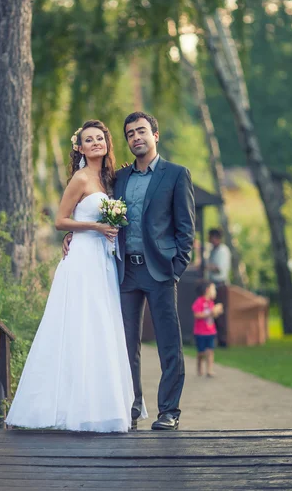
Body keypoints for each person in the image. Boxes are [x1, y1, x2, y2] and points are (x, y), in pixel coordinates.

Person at [6, 120, 143, 433]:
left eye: (99, 138)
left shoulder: (111, 179)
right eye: (88, 140)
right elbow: (60, 220)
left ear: (107, 142)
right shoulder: (81, 178)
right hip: (82, 260)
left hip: (104, 262)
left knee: (101, 330)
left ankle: (99, 408)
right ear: (79, 147)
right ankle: (61, 408)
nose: (95, 143)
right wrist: (93, 228)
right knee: (77, 326)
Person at [64, 112, 195, 431]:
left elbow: (186, 229)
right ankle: (132, 404)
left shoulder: (176, 174)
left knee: (168, 343)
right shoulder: (118, 179)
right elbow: (94, 208)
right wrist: (74, 233)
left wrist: (175, 268)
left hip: (161, 272)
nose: (136, 137)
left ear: (155, 135)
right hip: (123, 272)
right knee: (124, 345)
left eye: (142, 131)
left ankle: (169, 411)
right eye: (130, 134)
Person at [192, 280, 223, 377]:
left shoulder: (211, 303)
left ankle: (209, 370)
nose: (215, 292)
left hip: (211, 331)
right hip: (200, 332)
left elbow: (213, 316)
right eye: (213, 289)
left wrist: (217, 311)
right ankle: (199, 365)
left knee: (210, 351)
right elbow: (197, 315)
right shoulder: (199, 302)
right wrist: (210, 312)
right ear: (207, 290)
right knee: (201, 352)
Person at [207, 228, 231, 347]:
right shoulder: (213, 251)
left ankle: (223, 340)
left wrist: (207, 266)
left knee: (220, 313)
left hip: (220, 285)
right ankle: (215, 339)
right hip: (213, 285)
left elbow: (219, 268)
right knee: (213, 313)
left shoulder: (223, 251)